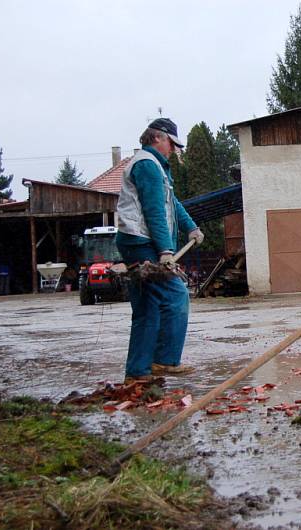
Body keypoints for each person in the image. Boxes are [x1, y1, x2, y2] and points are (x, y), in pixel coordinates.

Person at [115, 118, 205, 385]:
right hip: (142, 242)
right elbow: (154, 210)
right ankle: (165, 359)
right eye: (172, 144)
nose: (174, 150)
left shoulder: (156, 167)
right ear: (157, 138)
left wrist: (191, 227)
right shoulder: (147, 165)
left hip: (136, 241)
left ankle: (138, 372)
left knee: (147, 309)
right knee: (177, 297)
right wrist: (166, 250)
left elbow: (171, 202)